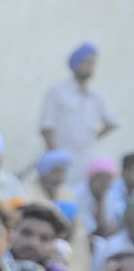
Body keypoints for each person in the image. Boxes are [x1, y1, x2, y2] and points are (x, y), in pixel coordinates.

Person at [40, 43, 119, 181]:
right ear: (76, 63)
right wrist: (55, 154)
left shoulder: (96, 96)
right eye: (87, 62)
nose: (90, 66)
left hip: (86, 159)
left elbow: (112, 122)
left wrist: (92, 139)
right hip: (62, 158)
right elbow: (46, 126)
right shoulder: (58, 91)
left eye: (93, 63)